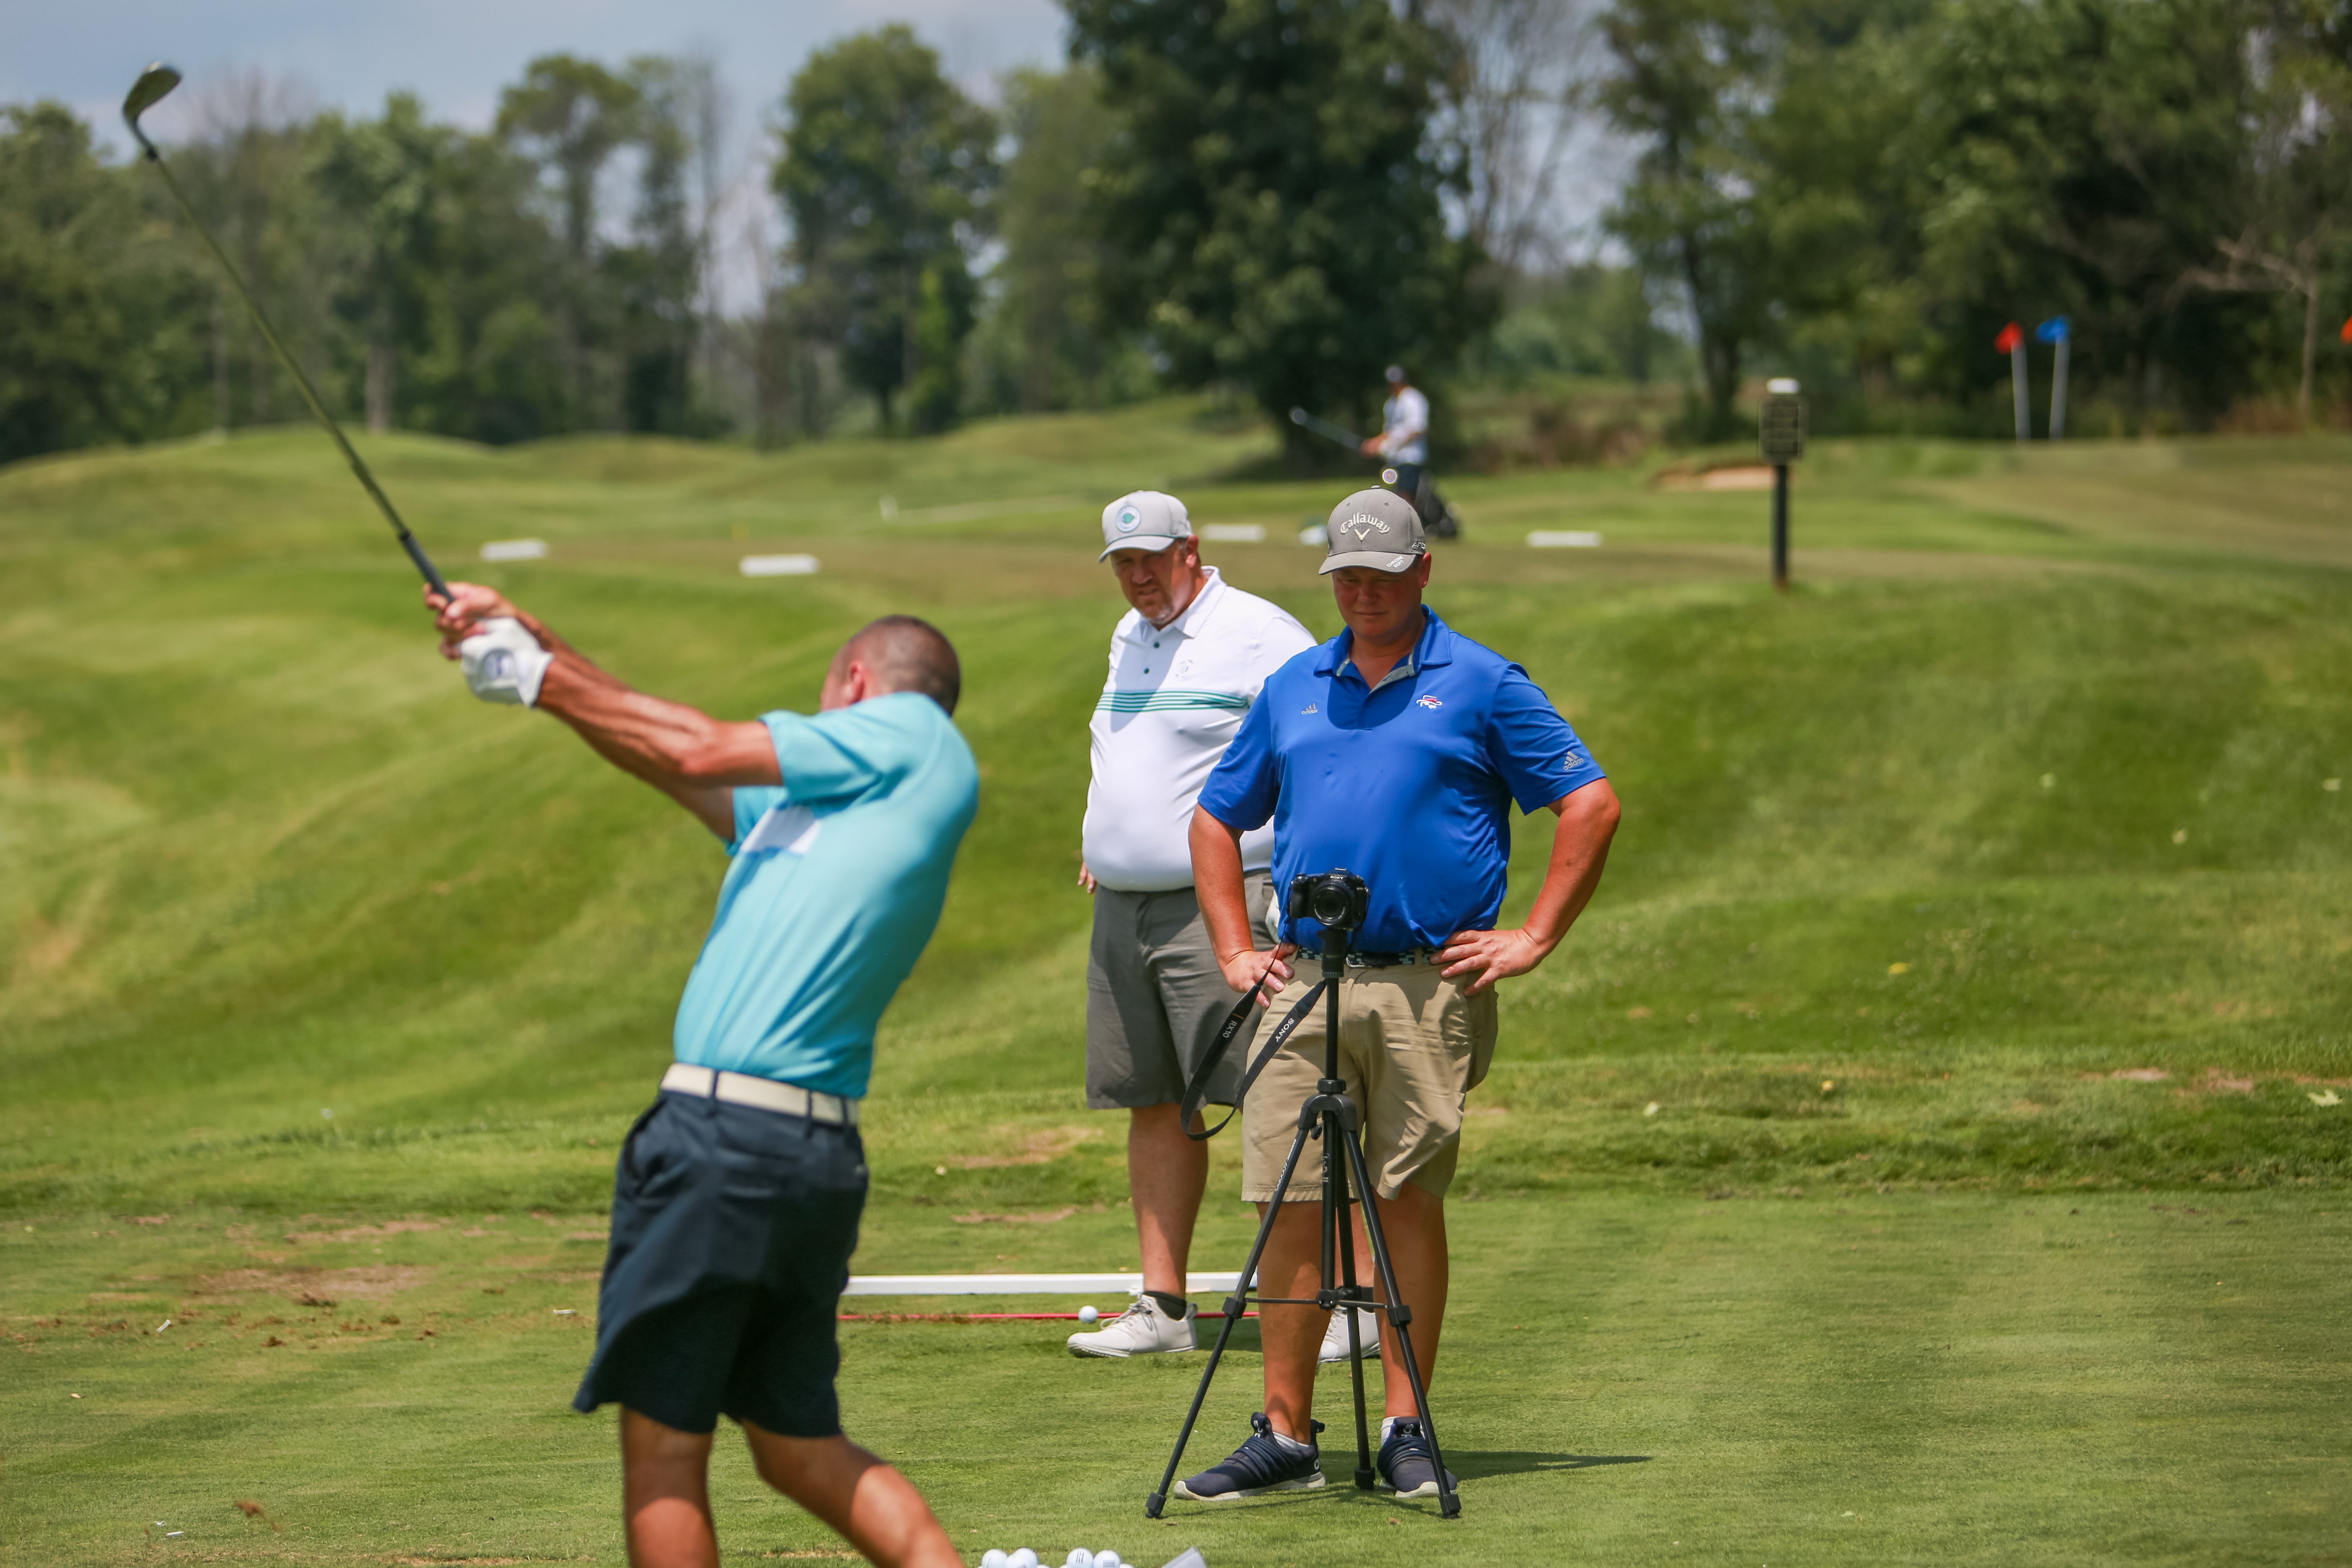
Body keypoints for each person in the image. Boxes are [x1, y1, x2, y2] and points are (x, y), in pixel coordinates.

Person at [425, 581, 975, 1568]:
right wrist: (539, 647)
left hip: (726, 1146)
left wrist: (539, 678)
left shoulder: (910, 734)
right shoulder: (825, 806)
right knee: (798, 1449)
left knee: (666, 1451)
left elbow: (697, 746)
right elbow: (660, 756)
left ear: (856, 684)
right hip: (796, 1151)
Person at [1176, 488, 1621, 1503]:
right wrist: (1236, 948)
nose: (1364, 592)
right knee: (1287, 1202)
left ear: (1423, 570)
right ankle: (1285, 1434)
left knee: (1404, 1198)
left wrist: (1535, 935)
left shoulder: (1483, 682)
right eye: (1347, 576)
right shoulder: (1294, 684)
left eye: (1382, 575)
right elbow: (1214, 819)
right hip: (1303, 981)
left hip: (1427, 983)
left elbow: (1590, 803)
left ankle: (1405, 1427)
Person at [1066, 491, 1318, 1358]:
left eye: (1151, 558)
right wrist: (1109, 837)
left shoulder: (1261, 632)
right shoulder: (1129, 634)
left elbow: (1319, 751)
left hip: (1223, 902)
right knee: (1152, 1100)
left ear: (1190, 548)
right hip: (1124, 907)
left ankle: (1339, 1303)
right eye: (1123, 564)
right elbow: (1129, 751)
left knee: (1276, 1101)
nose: (1137, 577)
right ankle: (1164, 1307)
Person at [1360, 365, 1455, 540]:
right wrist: (1374, 443)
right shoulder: (1391, 404)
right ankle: (1402, 530)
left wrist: (1391, 445)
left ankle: (1409, 532)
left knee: (1407, 496)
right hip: (1395, 459)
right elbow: (1389, 431)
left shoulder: (1414, 400)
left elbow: (1417, 430)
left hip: (1412, 457)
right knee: (1396, 495)